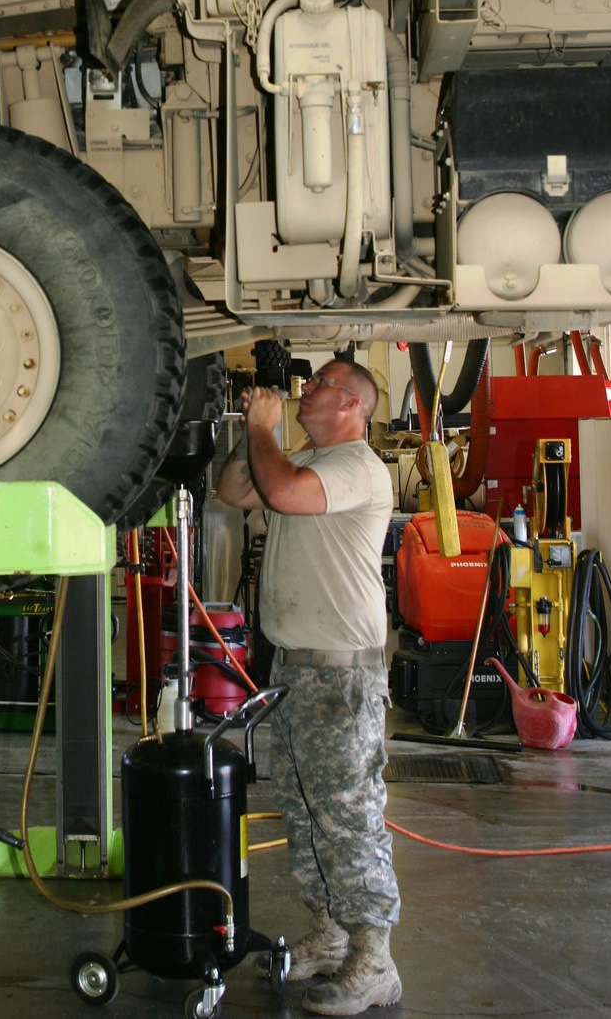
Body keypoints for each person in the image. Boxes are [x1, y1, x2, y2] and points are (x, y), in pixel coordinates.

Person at [216, 359, 400, 1017]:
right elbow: (236, 490)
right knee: (303, 816)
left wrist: (266, 430)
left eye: (319, 383)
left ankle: (374, 960)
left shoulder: (354, 465)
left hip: (338, 674)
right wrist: (251, 429)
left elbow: (284, 491)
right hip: (294, 671)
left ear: (350, 404)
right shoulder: (299, 459)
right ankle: (328, 937)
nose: (306, 390)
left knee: (347, 818)